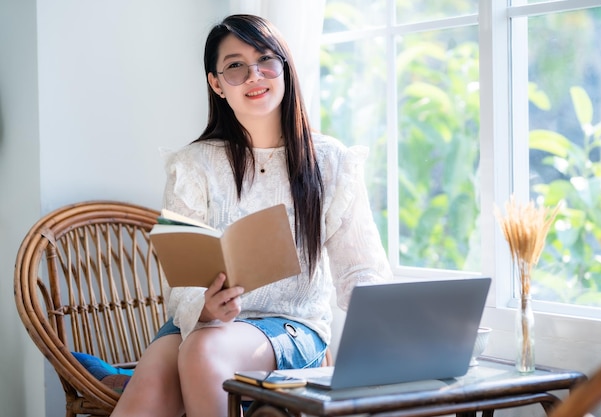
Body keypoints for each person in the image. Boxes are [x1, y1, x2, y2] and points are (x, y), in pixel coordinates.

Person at [111, 14, 392, 417]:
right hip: (200, 324)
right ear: (216, 84)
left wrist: (391, 339)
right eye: (235, 66)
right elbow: (182, 283)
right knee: (158, 373)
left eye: (265, 60)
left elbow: (361, 272)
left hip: (291, 328)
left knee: (204, 352)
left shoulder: (331, 163)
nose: (254, 75)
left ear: (285, 68)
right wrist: (206, 308)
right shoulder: (192, 165)